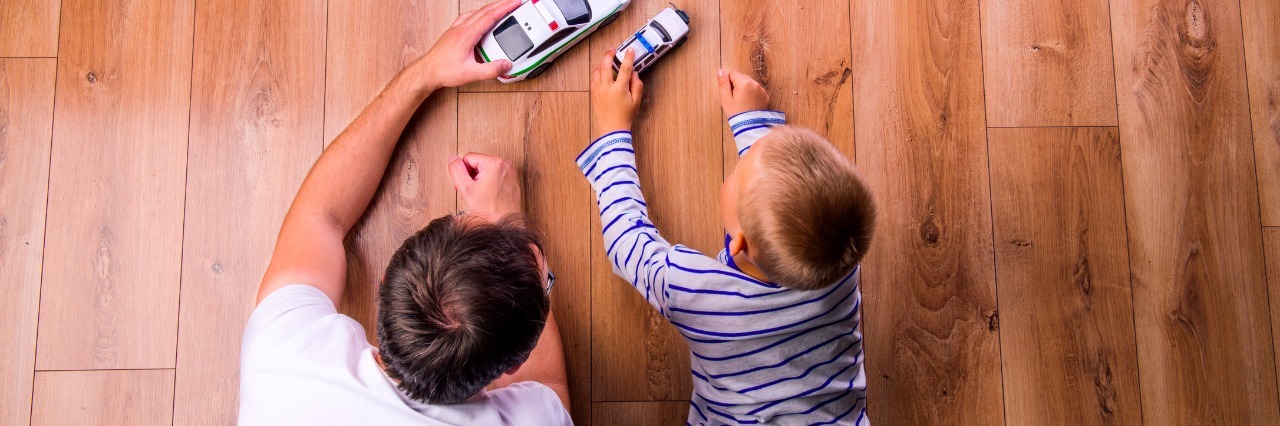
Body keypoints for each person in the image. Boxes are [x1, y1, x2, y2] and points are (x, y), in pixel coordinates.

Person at [238, 1, 571, 424]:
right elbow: (551, 392)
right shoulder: (537, 420)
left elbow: (318, 215)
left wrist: (424, 74)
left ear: (384, 288)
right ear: (514, 365)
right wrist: (507, 221)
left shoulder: (283, 356)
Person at [581, 50, 876, 424]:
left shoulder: (694, 294)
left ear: (738, 244)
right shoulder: (841, 256)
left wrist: (612, 128)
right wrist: (752, 122)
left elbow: (627, 240)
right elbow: (794, 203)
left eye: (737, 175)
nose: (740, 166)